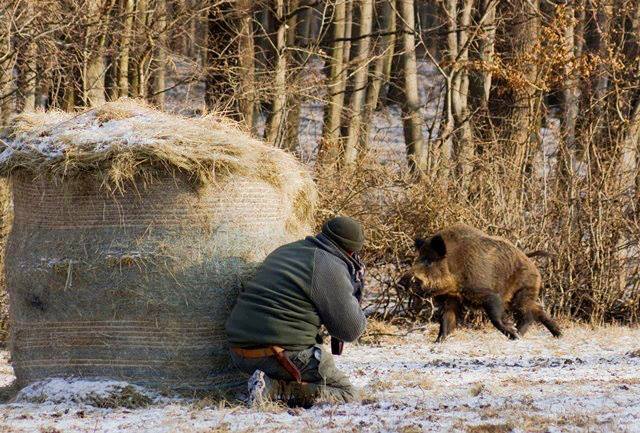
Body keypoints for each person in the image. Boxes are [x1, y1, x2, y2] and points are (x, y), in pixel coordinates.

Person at [225, 216, 367, 407]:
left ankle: (268, 383)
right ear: (351, 251)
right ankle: (273, 390)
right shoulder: (329, 265)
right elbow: (350, 330)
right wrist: (354, 290)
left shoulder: (287, 249)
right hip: (280, 356)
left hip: (239, 353)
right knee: (347, 394)